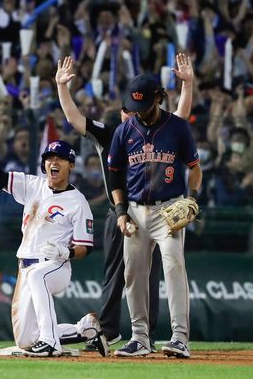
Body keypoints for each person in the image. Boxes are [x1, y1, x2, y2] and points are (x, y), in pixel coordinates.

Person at [54, 54, 194, 352]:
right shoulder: (115, 133)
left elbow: (179, 122)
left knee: (166, 267)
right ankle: (125, 333)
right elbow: (74, 119)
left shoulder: (166, 127)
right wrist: (62, 88)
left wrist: (188, 86)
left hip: (166, 207)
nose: (133, 115)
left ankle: (172, 336)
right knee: (127, 273)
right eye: (130, 110)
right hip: (126, 208)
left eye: (139, 109)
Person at [0, 125, 108, 357]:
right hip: (25, 265)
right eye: (49, 158)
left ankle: (50, 343)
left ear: (71, 165)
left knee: (38, 275)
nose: (53, 162)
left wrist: (66, 253)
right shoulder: (33, 185)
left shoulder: (78, 201)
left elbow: (86, 247)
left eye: (60, 158)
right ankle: (85, 329)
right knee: (25, 340)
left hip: (55, 265)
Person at [107, 69, 202, 358]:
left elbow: (195, 168)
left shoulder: (178, 127)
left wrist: (193, 199)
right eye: (134, 106)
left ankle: (180, 337)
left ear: (158, 99)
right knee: (133, 274)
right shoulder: (124, 130)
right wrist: (121, 212)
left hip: (168, 210)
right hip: (135, 211)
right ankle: (140, 338)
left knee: (174, 267)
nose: (138, 112)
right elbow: (114, 175)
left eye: (144, 105)